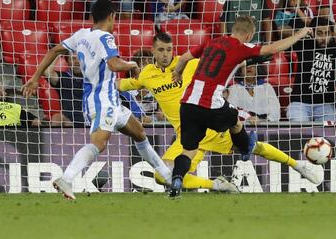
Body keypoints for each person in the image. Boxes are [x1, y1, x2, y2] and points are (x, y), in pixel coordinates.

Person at [118, 31, 320, 193]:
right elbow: (124, 84)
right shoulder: (146, 74)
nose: (165, 54)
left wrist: (256, 59)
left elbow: (230, 62)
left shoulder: (190, 64)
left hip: (209, 127)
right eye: (161, 50)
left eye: (169, 49)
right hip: (186, 134)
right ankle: (217, 185)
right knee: (161, 176)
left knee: (253, 147)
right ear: (152, 50)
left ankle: (297, 165)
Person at [21, 0, 171, 200]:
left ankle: (168, 176)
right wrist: (133, 64)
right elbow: (114, 64)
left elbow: (53, 50)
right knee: (99, 144)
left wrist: (35, 77)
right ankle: (67, 178)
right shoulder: (106, 37)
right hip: (103, 101)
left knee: (139, 133)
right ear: (111, 16)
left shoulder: (82, 35)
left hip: (108, 101)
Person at [167, 16, 313, 198]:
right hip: (210, 103)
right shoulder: (241, 47)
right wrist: (299, 34)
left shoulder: (211, 42)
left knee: (188, 151)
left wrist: (178, 73)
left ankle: (177, 180)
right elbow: (274, 48)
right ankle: (244, 148)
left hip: (187, 104)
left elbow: (185, 58)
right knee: (235, 119)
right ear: (249, 34)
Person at [286, 17, 336, 122]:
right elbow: (282, 40)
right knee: (299, 129)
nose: (323, 37)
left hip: (325, 105)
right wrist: (298, 35)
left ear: (331, 34)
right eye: (319, 33)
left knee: (330, 131)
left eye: (327, 33)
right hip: (300, 103)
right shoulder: (304, 44)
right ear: (313, 33)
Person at [44, 54, 84, 127]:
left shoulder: (93, 79)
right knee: (57, 117)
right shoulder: (64, 77)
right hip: (70, 123)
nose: (77, 62)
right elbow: (47, 72)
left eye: (80, 58)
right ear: (67, 62)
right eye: (73, 59)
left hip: (92, 121)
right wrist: (58, 52)